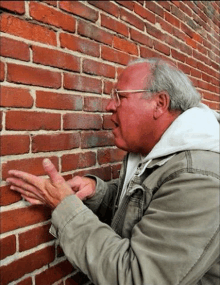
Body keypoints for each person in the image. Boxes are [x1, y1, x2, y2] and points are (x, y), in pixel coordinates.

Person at [7, 58, 220, 285]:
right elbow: (148, 205)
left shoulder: (197, 177)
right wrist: (99, 194)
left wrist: (65, 207)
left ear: (159, 103)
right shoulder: (154, 152)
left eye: (120, 96)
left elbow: (137, 277)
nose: (109, 105)